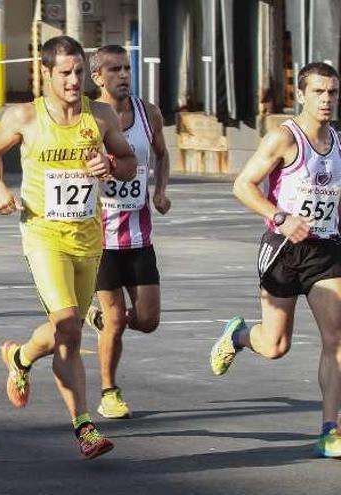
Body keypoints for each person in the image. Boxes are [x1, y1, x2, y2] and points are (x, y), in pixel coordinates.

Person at [0, 35, 137, 459]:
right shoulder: (25, 116)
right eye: (64, 73)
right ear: (45, 73)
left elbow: (129, 163)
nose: (73, 81)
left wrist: (112, 165)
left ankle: (20, 357)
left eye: (79, 72)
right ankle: (84, 426)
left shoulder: (100, 116)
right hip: (43, 235)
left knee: (68, 328)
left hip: (88, 236)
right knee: (67, 323)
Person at [210, 62, 341, 458]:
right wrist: (281, 218)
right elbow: (242, 185)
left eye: (333, 92)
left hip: (325, 252)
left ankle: (330, 429)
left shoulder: (338, 142)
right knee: (275, 345)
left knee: (336, 338)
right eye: (318, 92)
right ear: (301, 94)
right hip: (283, 252)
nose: (326, 100)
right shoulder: (284, 139)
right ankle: (239, 336)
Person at [83, 45, 172, 419]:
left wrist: (160, 190)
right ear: (98, 77)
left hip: (138, 236)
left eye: (127, 68)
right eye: (114, 69)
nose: (123, 75)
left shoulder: (148, 113)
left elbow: (162, 154)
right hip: (100, 237)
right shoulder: (88, 117)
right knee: (117, 319)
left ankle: (101, 320)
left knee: (148, 320)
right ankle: (109, 391)